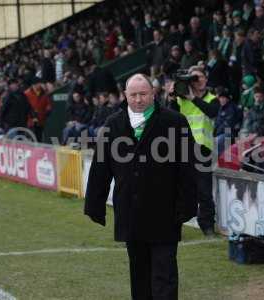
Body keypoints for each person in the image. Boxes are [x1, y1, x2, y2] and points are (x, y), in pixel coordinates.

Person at [84, 73, 197, 300]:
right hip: (130, 213)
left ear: (153, 94)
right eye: (133, 95)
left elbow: (188, 168)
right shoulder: (113, 124)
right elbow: (100, 168)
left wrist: (187, 206)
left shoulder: (174, 122)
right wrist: (94, 204)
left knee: (164, 274)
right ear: (125, 95)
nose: (138, 99)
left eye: (143, 94)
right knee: (139, 274)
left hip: (165, 212)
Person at [169, 65, 219, 236]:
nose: (198, 81)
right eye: (194, 78)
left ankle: (207, 226)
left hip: (203, 150)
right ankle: (174, 224)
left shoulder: (213, 99)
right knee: (178, 189)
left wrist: (193, 98)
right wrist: (171, 97)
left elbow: (212, 113)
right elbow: (169, 116)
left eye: (200, 77)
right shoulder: (181, 98)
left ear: (206, 79)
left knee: (204, 191)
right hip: (183, 148)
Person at [24, 77, 52, 142]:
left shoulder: (44, 93)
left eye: (39, 83)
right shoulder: (27, 94)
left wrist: (48, 109)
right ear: (33, 85)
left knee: (39, 138)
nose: (39, 85)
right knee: (31, 138)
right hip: (30, 121)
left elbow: (48, 104)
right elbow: (25, 106)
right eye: (37, 84)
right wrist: (32, 115)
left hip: (41, 120)